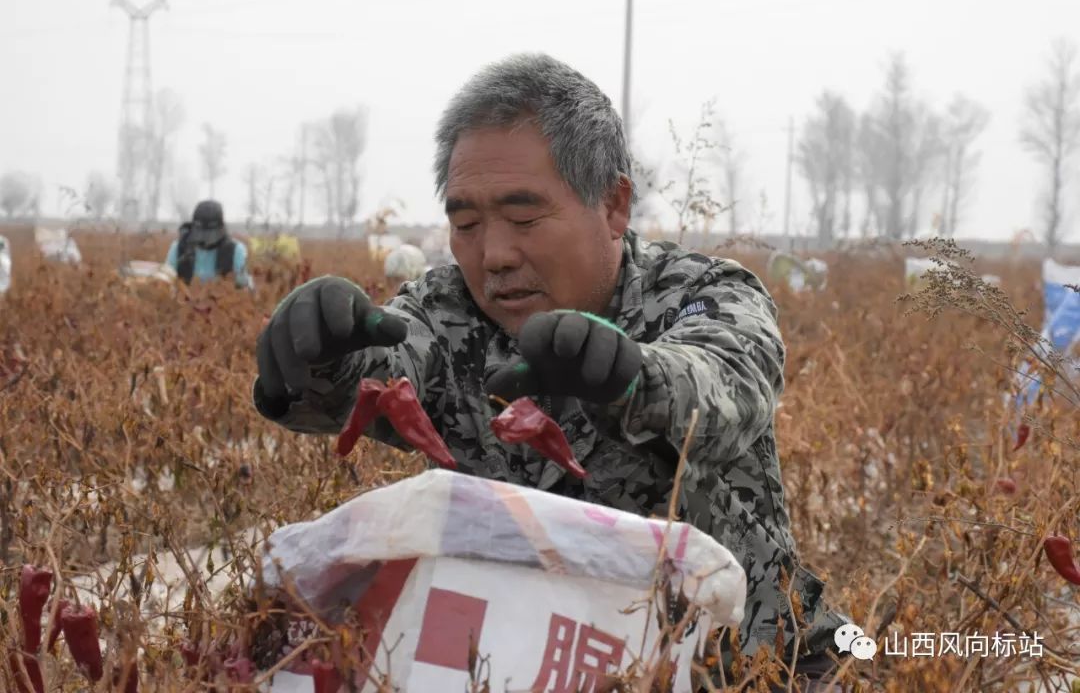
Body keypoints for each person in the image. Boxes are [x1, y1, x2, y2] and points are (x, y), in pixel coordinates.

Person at [252, 53, 850, 690]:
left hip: (761, 662)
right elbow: (378, 373)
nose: (496, 255)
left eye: (525, 218)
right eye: (467, 223)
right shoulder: (447, 310)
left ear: (614, 205)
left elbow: (724, 383)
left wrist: (629, 377)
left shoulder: (700, 294)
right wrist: (313, 358)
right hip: (526, 664)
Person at [166, 200, 253, 289]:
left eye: (209, 234)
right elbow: (166, 282)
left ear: (221, 228)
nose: (205, 240)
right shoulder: (178, 248)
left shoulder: (236, 251)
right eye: (201, 233)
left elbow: (244, 288)